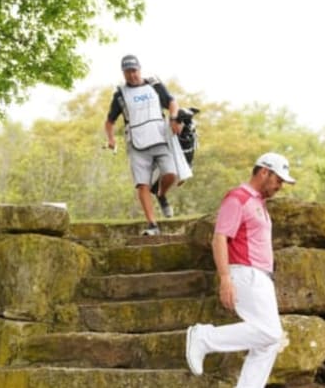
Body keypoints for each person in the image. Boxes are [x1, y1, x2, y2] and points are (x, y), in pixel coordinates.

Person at [185, 152, 296, 387]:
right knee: (271, 333)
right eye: (278, 180)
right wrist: (225, 279)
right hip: (246, 273)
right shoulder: (238, 198)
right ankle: (205, 337)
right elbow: (219, 238)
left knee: (268, 343)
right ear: (264, 172)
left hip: (261, 276)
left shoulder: (258, 203)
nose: (280, 186)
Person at [105, 54, 183, 236]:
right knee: (143, 184)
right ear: (123, 73)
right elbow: (109, 121)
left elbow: (172, 102)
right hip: (137, 144)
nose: (131, 75)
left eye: (134, 70)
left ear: (139, 69)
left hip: (160, 137)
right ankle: (152, 224)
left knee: (171, 174)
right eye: (127, 72)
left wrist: (173, 118)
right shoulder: (120, 95)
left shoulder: (154, 85)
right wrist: (111, 139)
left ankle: (162, 194)